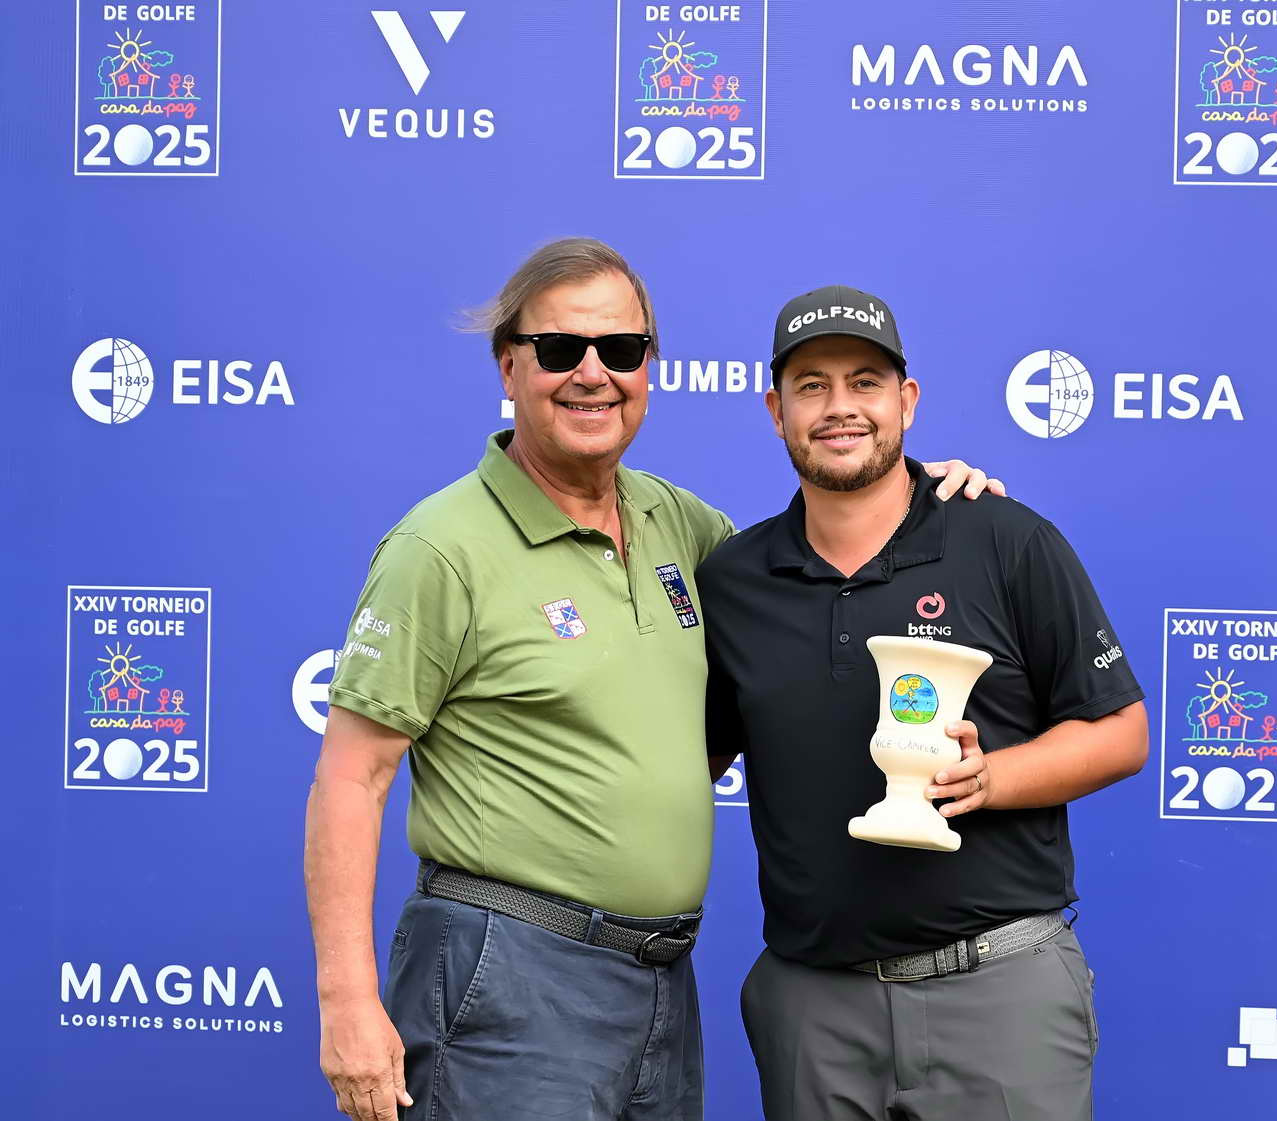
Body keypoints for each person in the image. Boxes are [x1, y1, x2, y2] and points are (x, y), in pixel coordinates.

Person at [303, 240, 997, 1121]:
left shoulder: (681, 524)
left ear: (648, 368)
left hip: (660, 984)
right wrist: (347, 1002)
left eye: (621, 349)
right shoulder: (439, 548)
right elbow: (351, 777)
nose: (593, 373)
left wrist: (919, 491)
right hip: (506, 975)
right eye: (561, 348)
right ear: (509, 366)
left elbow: (818, 569)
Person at [699, 285, 1149, 1121]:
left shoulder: (1005, 538)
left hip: (998, 988)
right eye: (811, 385)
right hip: (813, 1005)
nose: (840, 407)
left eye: (865, 382)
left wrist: (992, 777)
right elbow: (696, 756)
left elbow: (1121, 730)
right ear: (775, 410)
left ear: (906, 401)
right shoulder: (732, 580)